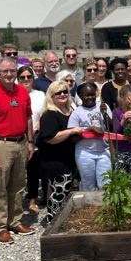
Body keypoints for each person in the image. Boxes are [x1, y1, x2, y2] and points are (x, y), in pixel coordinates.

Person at [0, 57, 36, 244]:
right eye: (5, 72)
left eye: (12, 71)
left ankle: (15, 221)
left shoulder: (22, 93)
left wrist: (30, 141)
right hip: (0, 144)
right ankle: (0, 227)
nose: (9, 74)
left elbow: (28, 117)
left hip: (20, 143)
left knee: (18, 185)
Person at [37, 81, 79, 223]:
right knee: (58, 193)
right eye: (58, 93)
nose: (62, 95)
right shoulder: (49, 114)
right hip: (55, 161)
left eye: (65, 91)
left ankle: (62, 220)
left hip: (70, 159)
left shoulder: (72, 112)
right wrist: (71, 131)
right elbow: (50, 138)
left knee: (67, 192)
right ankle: (53, 222)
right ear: (51, 96)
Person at [68, 83, 111, 191]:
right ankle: (91, 207)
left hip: (104, 151)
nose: (90, 97)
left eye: (93, 94)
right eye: (87, 95)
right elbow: (72, 139)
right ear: (81, 96)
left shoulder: (103, 106)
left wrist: (104, 113)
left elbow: (112, 127)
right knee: (89, 186)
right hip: (85, 153)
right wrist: (89, 130)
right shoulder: (76, 113)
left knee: (106, 184)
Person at [18, 66, 45, 214]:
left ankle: (32, 200)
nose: (26, 79)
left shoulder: (40, 95)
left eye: (29, 76)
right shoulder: (14, 94)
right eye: (22, 77)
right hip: (18, 137)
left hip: (36, 136)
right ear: (18, 79)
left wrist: (37, 126)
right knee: (17, 172)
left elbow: (45, 111)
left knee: (33, 170)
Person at [112, 85, 131, 186]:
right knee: (121, 181)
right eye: (130, 99)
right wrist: (123, 120)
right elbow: (116, 132)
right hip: (121, 151)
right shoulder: (117, 112)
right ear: (122, 97)